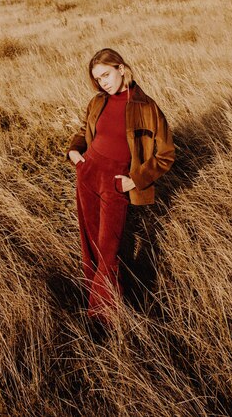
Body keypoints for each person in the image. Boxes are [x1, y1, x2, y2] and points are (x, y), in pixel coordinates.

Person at [66, 48, 175, 325]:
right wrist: (75, 151)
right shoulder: (97, 102)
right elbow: (85, 131)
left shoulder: (146, 108)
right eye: (98, 79)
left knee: (108, 248)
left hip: (117, 181)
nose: (103, 82)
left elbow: (166, 154)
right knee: (90, 244)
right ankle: (95, 298)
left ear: (122, 68)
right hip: (88, 172)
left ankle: (102, 320)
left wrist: (136, 179)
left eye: (106, 74)